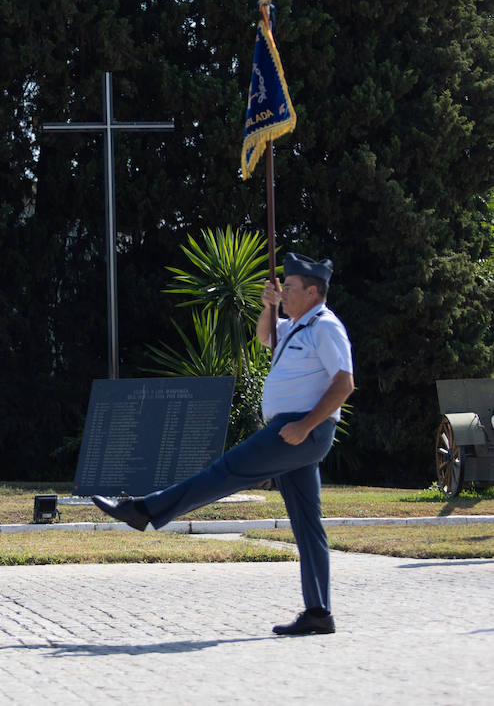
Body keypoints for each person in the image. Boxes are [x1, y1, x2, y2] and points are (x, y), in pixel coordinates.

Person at [92, 252, 354, 636]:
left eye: (292, 287)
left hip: (300, 431)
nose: (286, 291)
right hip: (294, 432)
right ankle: (319, 612)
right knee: (308, 524)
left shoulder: (326, 327)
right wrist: (270, 306)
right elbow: (266, 337)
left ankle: (145, 510)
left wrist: (304, 426)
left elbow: (344, 383)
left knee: (227, 471)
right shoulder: (296, 325)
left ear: (314, 291)